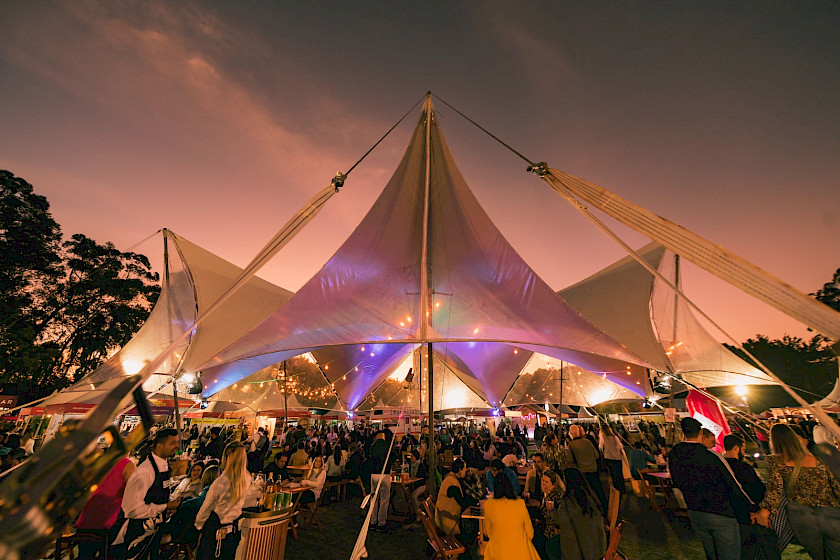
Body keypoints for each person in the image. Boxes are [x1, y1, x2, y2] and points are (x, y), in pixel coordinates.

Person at [669, 417, 753, 560]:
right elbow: (732, 483)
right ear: (701, 432)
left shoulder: (675, 453)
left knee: (711, 554)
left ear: (683, 432)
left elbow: (676, 481)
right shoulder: (711, 455)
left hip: (695, 510)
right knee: (729, 555)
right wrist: (749, 507)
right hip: (720, 512)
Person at [756, 423, 840, 560]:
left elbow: (774, 491)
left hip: (802, 515)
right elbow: (836, 487)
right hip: (832, 513)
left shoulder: (776, 461)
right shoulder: (818, 459)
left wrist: (764, 512)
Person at [112, 428, 181, 560]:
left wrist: (170, 502)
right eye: (172, 443)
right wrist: (165, 507)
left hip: (153, 531)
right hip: (136, 533)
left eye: (177, 442)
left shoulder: (164, 466)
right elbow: (131, 509)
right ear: (160, 446)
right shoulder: (145, 472)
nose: (177, 446)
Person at [195, 442, 251, 560]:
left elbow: (206, 508)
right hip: (233, 530)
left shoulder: (220, 482)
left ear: (225, 459)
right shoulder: (247, 478)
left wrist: (198, 525)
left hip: (215, 529)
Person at [722, 434, 775, 560]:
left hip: (729, 513)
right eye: (743, 449)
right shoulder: (743, 468)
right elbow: (757, 490)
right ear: (736, 448)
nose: (744, 452)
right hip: (747, 514)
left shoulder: (720, 465)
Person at [74, 456, 136, 560]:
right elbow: (135, 496)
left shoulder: (98, 462)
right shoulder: (128, 465)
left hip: (86, 521)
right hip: (108, 523)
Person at [549, 468, 607, 560]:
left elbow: (559, 520)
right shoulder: (591, 496)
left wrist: (552, 509)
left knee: (550, 545)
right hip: (598, 548)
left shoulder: (570, 500)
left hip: (582, 552)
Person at [483, 470, 541, 560]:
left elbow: (488, 532)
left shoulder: (488, 505)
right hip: (521, 551)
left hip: (498, 551)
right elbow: (530, 533)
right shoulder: (520, 503)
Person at [434, 458, 478, 551]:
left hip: (446, 517)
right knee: (472, 529)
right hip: (447, 522)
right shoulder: (451, 483)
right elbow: (462, 501)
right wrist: (476, 502)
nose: (466, 471)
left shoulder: (452, 478)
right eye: (464, 468)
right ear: (459, 470)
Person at [567, 424, 607, 513]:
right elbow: (596, 455)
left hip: (583, 472)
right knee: (598, 490)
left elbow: (570, 460)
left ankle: (594, 511)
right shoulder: (587, 441)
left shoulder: (572, 444)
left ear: (571, 434)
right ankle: (605, 507)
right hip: (593, 469)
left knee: (589, 493)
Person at [533, 468, 565, 558]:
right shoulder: (548, 494)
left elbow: (548, 515)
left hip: (552, 532)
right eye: (543, 480)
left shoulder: (555, 496)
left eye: (546, 482)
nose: (543, 484)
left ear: (554, 484)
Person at [368, 430, 394, 531]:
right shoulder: (388, 445)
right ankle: (381, 523)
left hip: (374, 474)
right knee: (384, 500)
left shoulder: (372, 446)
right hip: (384, 474)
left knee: (374, 498)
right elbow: (394, 456)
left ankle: (373, 521)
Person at [598, 424, 625, 496]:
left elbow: (600, 447)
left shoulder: (602, 437)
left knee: (613, 474)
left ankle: (617, 489)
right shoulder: (614, 437)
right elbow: (620, 446)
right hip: (617, 457)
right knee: (619, 473)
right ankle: (623, 488)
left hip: (609, 457)